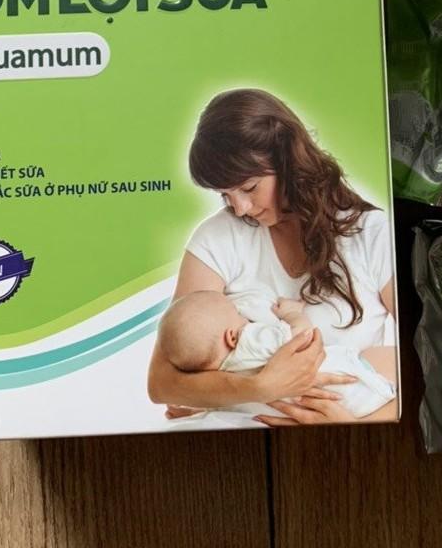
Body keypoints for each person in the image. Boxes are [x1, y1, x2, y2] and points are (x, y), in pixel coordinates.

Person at [146, 88, 397, 426]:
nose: (240, 208)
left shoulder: (371, 235)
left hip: (346, 433)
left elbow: (428, 366)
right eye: (225, 194)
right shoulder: (217, 239)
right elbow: (161, 382)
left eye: (249, 188)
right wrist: (259, 386)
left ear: (287, 162)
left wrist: (350, 428)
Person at [156, 290, 395, 419]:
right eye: (237, 314)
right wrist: (293, 315)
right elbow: (301, 336)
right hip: (350, 384)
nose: (243, 317)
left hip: (335, 409)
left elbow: (219, 406)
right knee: (381, 357)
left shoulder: (223, 389)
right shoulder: (249, 341)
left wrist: (195, 408)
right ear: (231, 337)